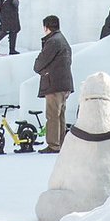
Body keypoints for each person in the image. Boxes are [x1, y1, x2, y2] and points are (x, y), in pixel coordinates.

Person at [33, 14, 72, 153]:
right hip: (64, 83)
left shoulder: (53, 42)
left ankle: (53, 145)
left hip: (54, 83)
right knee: (60, 115)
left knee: (52, 115)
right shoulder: (62, 40)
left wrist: (39, 68)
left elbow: (41, 61)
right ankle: (61, 143)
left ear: (46, 27)